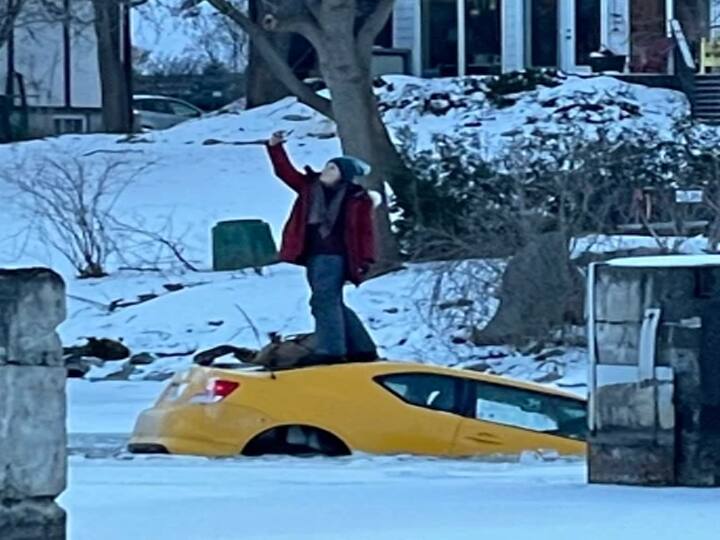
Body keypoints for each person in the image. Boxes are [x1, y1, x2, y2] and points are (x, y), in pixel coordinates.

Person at [266, 130, 378, 366]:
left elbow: (365, 232)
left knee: (323, 301)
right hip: (313, 255)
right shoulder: (309, 188)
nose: (326, 171)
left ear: (343, 176)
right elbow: (285, 173)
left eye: (332, 168)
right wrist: (275, 147)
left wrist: (366, 260)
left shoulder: (357, 198)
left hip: (336, 256)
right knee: (331, 300)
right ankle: (362, 347)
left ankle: (332, 350)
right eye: (327, 166)